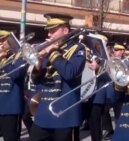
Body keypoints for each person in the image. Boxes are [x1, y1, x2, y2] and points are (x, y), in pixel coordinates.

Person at [29, 13, 86, 141]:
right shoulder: (48, 49)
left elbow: (70, 73)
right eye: (49, 31)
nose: (49, 35)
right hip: (43, 114)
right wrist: (37, 65)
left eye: (53, 31)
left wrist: (52, 52)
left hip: (65, 116)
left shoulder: (78, 49)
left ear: (65, 30)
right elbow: (36, 81)